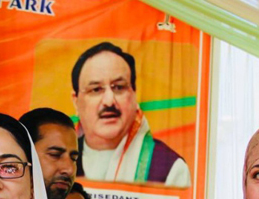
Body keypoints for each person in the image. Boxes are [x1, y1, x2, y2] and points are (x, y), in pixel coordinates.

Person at [71, 42, 190, 187]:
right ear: (76, 101)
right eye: (96, 89)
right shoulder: (59, 161)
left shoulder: (170, 169)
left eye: (119, 87)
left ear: (134, 95)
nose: (109, 101)